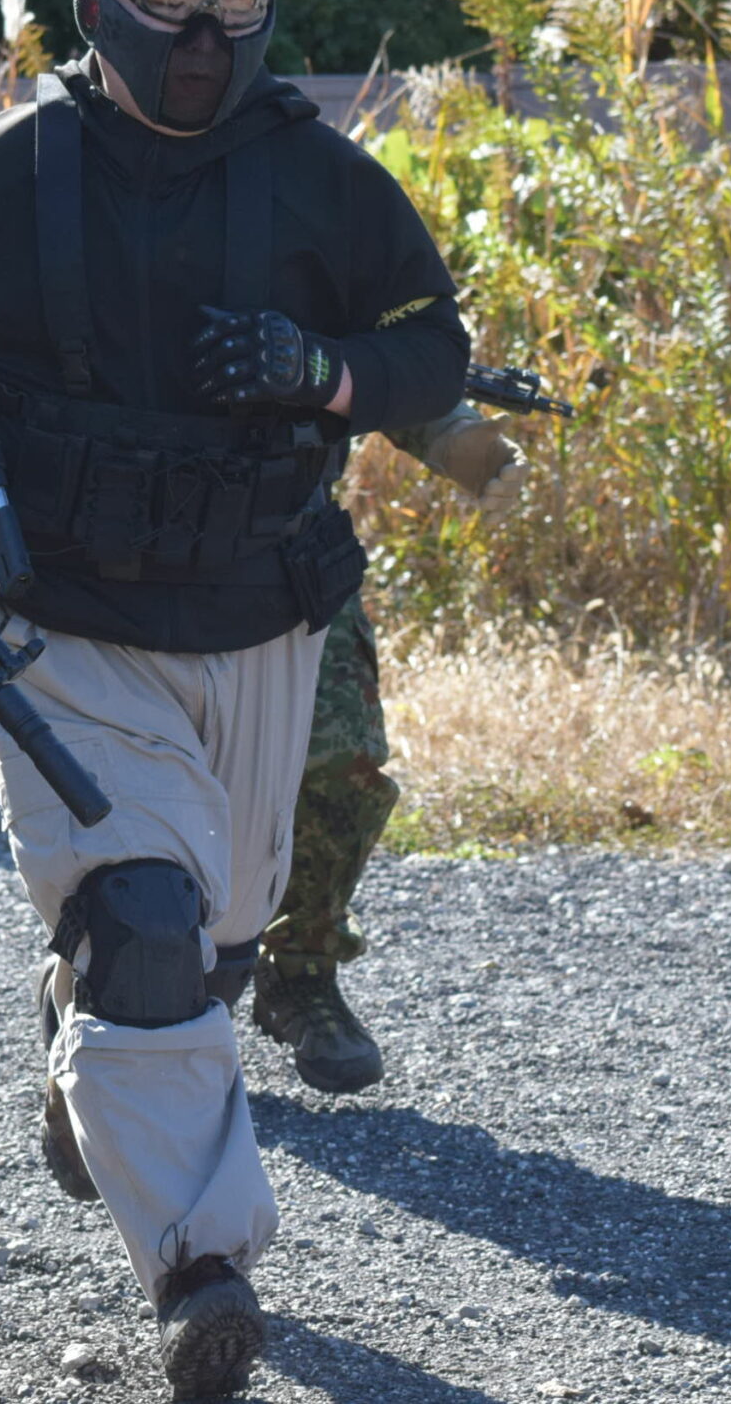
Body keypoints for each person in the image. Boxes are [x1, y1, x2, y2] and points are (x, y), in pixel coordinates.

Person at [0, 0, 468, 1399]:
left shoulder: (323, 182)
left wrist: (323, 372)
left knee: (210, 950)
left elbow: (434, 350)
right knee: (141, 921)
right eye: (170, 5)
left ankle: (86, 1035)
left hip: (261, 621)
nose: (204, 38)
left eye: (236, 5)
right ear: (96, 9)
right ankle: (202, 1269)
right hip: (60, 628)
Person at [254, 404, 526, 1093]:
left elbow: (377, 357)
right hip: (132, 549)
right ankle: (116, 968)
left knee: (341, 765)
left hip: (290, 544)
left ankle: (300, 970)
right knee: (147, 768)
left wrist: (455, 434)